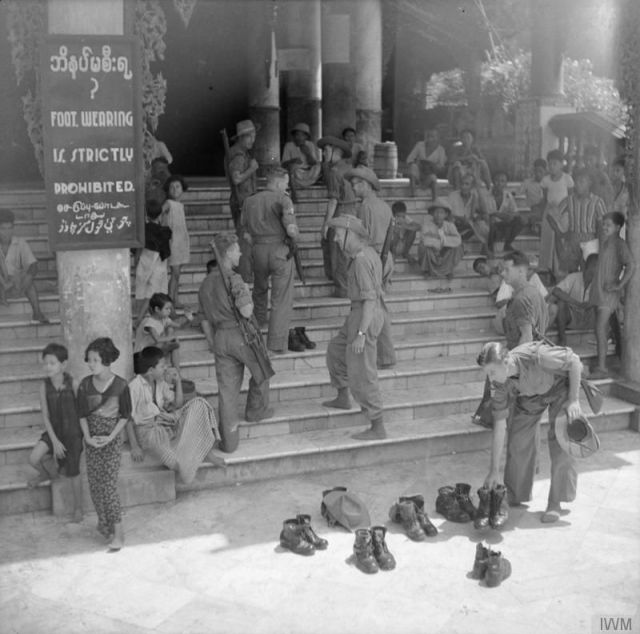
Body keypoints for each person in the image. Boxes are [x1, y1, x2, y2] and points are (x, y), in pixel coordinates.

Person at [478, 340, 585, 522]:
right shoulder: (498, 384)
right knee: (518, 440)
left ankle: (555, 502)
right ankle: (515, 493)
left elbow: (575, 362)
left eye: (492, 372)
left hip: (560, 389)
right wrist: (493, 470)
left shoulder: (538, 356)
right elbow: (500, 426)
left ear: (506, 362)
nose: (490, 378)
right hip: (530, 397)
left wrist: (574, 400)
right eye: (487, 374)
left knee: (562, 442)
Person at [198, 232, 273, 453]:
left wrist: (213, 341)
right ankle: (255, 411)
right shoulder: (233, 278)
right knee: (262, 371)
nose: (240, 252)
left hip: (220, 338)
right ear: (229, 252)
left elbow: (203, 318)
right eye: (237, 249)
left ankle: (229, 442)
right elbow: (246, 310)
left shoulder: (205, 284)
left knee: (227, 392)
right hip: (241, 335)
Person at [322, 215, 386, 441]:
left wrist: (360, 334)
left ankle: (377, 425)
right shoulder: (369, 254)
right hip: (359, 314)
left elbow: (369, 300)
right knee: (336, 350)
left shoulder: (360, 260)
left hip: (364, 317)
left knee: (363, 373)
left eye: (339, 235)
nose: (337, 240)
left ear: (351, 234)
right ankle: (342, 396)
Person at [127, 346, 219, 484]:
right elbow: (127, 418)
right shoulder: (135, 386)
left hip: (165, 423)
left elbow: (178, 404)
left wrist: (178, 381)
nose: (165, 368)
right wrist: (134, 446)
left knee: (199, 403)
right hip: (149, 433)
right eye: (162, 366)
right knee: (178, 465)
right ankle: (199, 454)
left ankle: (205, 451)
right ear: (151, 370)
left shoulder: (160, 382)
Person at [77, 337, 132, 551]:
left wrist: (110, 437)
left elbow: (125, 415)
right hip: (91, 440)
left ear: (107, 360)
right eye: (89, 360)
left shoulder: (120, 386)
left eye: (95, 360)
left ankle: (119, 532)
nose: (90, 364)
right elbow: (81, 414)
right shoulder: (84, 385)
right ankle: (105, 523)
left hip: (111, 440)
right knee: (95, 485)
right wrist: (88, 437)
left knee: (108, 486)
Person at [240, 166, 299, 353]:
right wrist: (296, 235)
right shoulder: (283, 199)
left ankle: (256, 331)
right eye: (286, 183)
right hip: (279, 251)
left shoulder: (249, 201)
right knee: (280, 299)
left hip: (257, 250)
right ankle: (276, 343)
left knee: (259, 290)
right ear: (279, 182)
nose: (286, 187)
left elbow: (245, 232)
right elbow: (290, 228)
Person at [346, 166, 396, 369]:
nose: (354, 188)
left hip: (373, 257)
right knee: (378, 306)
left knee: (374, 306)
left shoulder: (365, 207)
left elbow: (363, 236)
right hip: (385, 257)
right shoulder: (384, 205)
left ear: (366, 185)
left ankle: (385, 356)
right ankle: (386, 356)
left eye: (356, 184)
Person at [27, 343, 83, 522]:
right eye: (45, 363)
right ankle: (46, 473)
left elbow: (83, 412)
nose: (48, 367)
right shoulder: (44, 387)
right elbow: (45, 416)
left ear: (63, 364)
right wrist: (55, 441)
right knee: (34, 458)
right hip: (54, 433)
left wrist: (85, 438)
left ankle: (78, 509)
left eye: (52, 363)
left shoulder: (73, 383)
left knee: (73, 472)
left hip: (73, 434)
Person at [589, 212, 636, 379]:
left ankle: (602, 368)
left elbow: (631, 266)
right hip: (599, 291)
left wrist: (619, 285)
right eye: (604, 224)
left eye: (608, 225)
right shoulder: (607, 241)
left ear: (617, 227)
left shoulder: (620, 244)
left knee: (600, 329)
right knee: (602, 328)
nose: (605, 227)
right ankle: (612, 358)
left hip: (608, 293)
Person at [318, 135, 357, 297]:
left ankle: (342, 288)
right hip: (352, 211)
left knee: (338, 250)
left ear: (336, 152)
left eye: (326, 150)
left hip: (340, 212)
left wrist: (326, 224)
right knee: (346, 250)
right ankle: (347, 285)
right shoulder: (349, 167)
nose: (324, 154)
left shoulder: (334, 171)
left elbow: (333, 200)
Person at [554, 169, 607, 276]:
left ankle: (585, 292)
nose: (578, 184)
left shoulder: (597, 202)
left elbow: (603, 226)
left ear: (590, 183)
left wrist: (602, 245)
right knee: (571, 272)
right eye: (576, 181)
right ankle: (573, 291)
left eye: (582, 181)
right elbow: (552, 215)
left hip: (590, 240)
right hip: (572, 240)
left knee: (588, 271)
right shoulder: (569, 200)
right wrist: (559, 233)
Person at [0, 208, 48, 322]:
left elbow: (33, 266)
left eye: (10, 228)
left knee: (30, 283)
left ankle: (37, 314)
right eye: (3, 229)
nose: (7, 232)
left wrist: (26, 281)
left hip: (15, 285)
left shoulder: (20, 243)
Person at [228, 120, 260, 283]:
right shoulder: (238, 155)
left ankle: (246, 274)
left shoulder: (241, 153)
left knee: (246, 239)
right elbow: (236, 178)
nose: (252, 140)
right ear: (242, 137)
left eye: (253, 136)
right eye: (250, 136)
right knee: (245, 241)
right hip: (242, 202)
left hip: (246, 201)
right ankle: (245, 276)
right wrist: (252, 169)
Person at [134, 198, 172, 326]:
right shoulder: (164, 231)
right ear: (160, 214)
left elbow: (138, 248)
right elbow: (167, 243)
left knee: (141, 291)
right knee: (151, 293)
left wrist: (136, 260)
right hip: (158, 265)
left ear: (146, 214)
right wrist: (165, 216)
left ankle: (140, 318)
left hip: (145, 262)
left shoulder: (142, 230)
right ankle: (140, 320)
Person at [546, 255, 597, 346]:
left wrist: (590, 304)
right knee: (560, 304)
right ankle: (562, 339)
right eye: (591, 269)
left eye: (596, 270)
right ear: (585, 267)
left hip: (589, 318)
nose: (593, 274)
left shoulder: (600, 281)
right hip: (573, 317)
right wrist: (576, 303)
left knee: (605, 307)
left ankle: (610, 337)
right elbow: (556, 291)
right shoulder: (574, 277)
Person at [134, 292, 194, 370]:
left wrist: (188, 319)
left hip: (153, 350)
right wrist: (171, 337)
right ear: (157, 309)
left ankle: (178, 373)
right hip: (142, 355)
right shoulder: (149, 322)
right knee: (172, 338)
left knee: (174, 341)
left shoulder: (164, 319)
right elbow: (157, 339)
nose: (169, 311)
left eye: (170, 309)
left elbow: (180, 326)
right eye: (167, 309)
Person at [539, 150, 573, 277]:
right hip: (549, 212)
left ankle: (560, 268)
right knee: (548, 239)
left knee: (560, 239)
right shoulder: (546, 180)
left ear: (561, 165)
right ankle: (546, 267)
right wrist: (544, 213)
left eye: (555, 163)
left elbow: (571, 197)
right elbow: (543, 199)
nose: (552, 166)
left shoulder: (567, 178)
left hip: (564, 212)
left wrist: (568, 212)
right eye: (550, 164)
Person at [161, 174, 190, 309]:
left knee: (177, 274)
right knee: (175, 272)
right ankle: (170, 300)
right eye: (171, 187)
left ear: (182, 189)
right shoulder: (168, 203)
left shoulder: (179, 205)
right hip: (172, 242)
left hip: (181, 241)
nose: (174, 189)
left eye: (177, 186)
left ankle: (175, 298)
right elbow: (159, 213)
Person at [417, 197, 463, 279]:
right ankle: (427, 270)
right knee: (423, 247)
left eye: (441, 213)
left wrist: (443, 241)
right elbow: (425, 240)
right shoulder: (426, 225)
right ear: (432, 213)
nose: (438, 215)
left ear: (446, 214)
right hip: (432, 252)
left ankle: (448, 270)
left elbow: (458, 240)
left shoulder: (450, 226)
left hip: (445, 252)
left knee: (458, 248)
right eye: (436, 212)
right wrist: (439, 243)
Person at [447, 173, 490, 251]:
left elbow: (484, 211)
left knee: (482, 222)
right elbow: (447, 214)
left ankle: (485, 248)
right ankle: (485, 249)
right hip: (455, 224)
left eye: (467, 184)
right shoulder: (453, 195)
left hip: (468, 225)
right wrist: (459, 218)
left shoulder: (474, 197)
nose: (463, 186)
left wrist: (478, 190)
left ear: (472, 186)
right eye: (462, 184)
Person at [486, 171, 523, 255]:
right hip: (489, 225)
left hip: (502, 224)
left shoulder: (508, 195)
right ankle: (489, 247)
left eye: (502, 181)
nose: (499, 183)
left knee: (520, 220)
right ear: (493, 181)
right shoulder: (486, 195)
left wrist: (509, 216)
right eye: (497, 180)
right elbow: (485, 213)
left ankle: (507, 244)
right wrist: (496, 214)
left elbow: (516, 212)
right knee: (490, 222)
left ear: (505, 184)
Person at [406, 128, 447, 200]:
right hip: (418, 175)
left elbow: (441, 167)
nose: (430, 138)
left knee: (433, 177)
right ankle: (412, 193)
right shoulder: (419, 145)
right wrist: (417, 163)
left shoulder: (441, 150)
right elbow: (409, 159)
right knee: (413, 167)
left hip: (429, 175)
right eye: (429, 136)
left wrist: (433, 166)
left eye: (433, 136)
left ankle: (435, 200)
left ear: (437, 137)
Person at [281, 123, 322, 190]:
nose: (299, 137)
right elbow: (283, 164)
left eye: (302, 135)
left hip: (308, 173)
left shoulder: (310, 145)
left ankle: (309, 182)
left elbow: (313, 163)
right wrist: (293, 160)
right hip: (296, 174)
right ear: (293, 136)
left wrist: (308, 154)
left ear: (306, 137)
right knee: (292, 167)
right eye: (297, 135)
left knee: (319, 166)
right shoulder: (289, 145)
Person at [518, 158, 547, 230]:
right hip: (532, 211)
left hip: (546, 212)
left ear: (545, 171)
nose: (538, 174)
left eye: (540, 171)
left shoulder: (550, 183)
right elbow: (517, 194)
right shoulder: (527, 182)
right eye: (536, 171)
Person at [583, 145, 614, 210]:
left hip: (598, 209)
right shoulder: (580, 174)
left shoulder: (602, 176)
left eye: (591, 160)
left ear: (596, 160)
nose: (588, 163)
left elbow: (609, 194)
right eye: (586, 160)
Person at [611, 157, 629, 239]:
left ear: (624, 171)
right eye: (613, 170)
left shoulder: (628, 188)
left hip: (623, 224)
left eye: (618, 170)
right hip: (608, 224)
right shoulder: (608, 186)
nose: (614, 173)